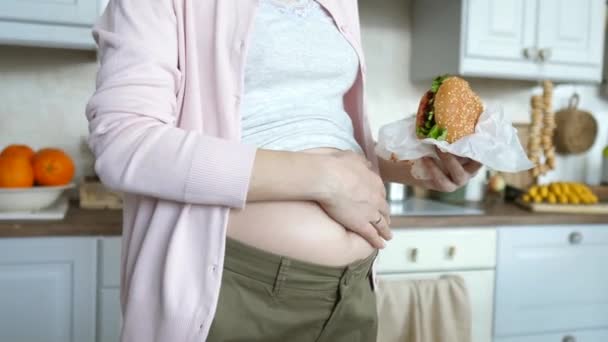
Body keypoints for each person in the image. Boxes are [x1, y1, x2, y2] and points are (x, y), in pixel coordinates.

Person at [85, 0, 482, 341]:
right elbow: (124, 143)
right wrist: (324, 180)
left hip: (352, 291)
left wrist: (411, 166)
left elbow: (320, 130)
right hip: (235, 291)